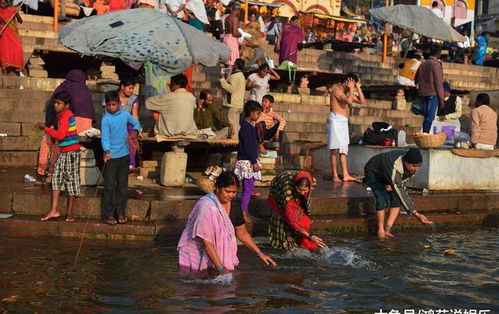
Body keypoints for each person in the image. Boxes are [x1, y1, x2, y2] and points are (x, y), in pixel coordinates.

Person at [178, 171, 276, 273]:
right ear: (217, 188)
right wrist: (220, 267)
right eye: (227, 191)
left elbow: (241, 232)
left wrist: (260, 253)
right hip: (198, 255)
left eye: (234, 192)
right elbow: (206, 241)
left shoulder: (235, 206)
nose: (230, 195)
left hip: (217, 257)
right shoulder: (206, 206)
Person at [36, 69, 95, 185]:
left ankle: (45, 173)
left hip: (67, 126)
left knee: (48, 141)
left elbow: (51, 108)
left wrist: (48, 126)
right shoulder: (86, 90)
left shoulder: (64, 87)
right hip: (86, 127)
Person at [364, 148, 433, 239]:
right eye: (414, 166)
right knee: (382, 199)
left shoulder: (412, 168)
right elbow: (399, 188)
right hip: (374, 172)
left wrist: (392, 184)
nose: (416, 169)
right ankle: (380, 230)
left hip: (389, 174)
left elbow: (401, 183)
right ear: (406, 163)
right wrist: (415, 213)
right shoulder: (395, 164)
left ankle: (388, 230)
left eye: (419, 166)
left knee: (397, 200)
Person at [36, 91, 81, 222]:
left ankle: (70, 213)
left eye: (59, 103)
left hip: (72, 153)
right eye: (55, 102)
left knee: (71, 182)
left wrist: (45, 128)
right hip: (63, 151)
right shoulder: (60, 115)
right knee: (55, 180)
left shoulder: (67, 115)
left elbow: (60, 135)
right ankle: (54, 210)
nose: (55, 105)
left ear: (66, 105)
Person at [101, 91, 141, 225]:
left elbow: (136, 123)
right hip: (111, 157)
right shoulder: (105, 119)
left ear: (119, 104)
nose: (111, 107)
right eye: (109, 105)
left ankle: (121, 212)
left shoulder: (124, 115)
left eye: (113, 105)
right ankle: (109, 214)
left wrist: (135, 132)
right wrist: (106, 150)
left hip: (124, 156)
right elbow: (105, 138)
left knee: (122, 186)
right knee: (109, 186)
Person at [267, 170, 327, 251]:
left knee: (299, 216)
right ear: (294, 186)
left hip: (293, 194)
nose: (302, 193)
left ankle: (297, 239)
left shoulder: (312, 181)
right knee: (283, 220)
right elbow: (292, 220)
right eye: (299, 190)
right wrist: (310, 236)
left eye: (305, 190)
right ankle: (284, 246)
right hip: (278, 196)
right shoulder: (286, 191)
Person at [327, 73, 366, 183]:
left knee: (344, 149)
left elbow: (362, 101)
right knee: (334, 149)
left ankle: (345, 174)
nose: (353, 85)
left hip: (343, 122)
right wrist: (352, 88)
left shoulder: (348, 93)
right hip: (335, 120)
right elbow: (349, 101)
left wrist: (357, 88)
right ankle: (335, 175)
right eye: (353, 82)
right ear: (347, 81)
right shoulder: (336, 91)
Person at [234, 101, 262, 233]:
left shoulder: (248, 126)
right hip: (247, 161)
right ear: (251, 113)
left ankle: (245, 212)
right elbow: (248, 147)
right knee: (247, 189)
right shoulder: (246, 127)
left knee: (248, 188)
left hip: (247, 160)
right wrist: (254, 161)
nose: (258, 115)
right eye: (258, 113)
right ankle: (244, 213)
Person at [145, 74, 198, 138]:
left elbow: (148, 102)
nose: (169, 86)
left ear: (176, 85)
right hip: (189, 134)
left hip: (169, 135)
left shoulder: (168, 97)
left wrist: (166, 91)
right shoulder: (192, 97)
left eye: (171, 84)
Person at [415, 46, 444, 133]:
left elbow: (416, 79)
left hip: (423, 93)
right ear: (438, 54)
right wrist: (441, 100)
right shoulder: (435, 64)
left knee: (427, 117)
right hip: (432, 93)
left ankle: (425, 133)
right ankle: (425, 134)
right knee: (429, 117)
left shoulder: (423, 64)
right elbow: (438, 83)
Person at [220, 58, 246, 139]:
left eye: (234, 63)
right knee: (236, 126)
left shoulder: (235, 76)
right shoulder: (241, 75)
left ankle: (234, 143)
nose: (233, 65)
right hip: (238, 104)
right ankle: (237, 142)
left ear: (237, 65)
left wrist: (222, 79)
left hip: (233, 105)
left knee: (233, 127)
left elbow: (231, 89)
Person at [0, 0, 23, 74]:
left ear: (7, 3)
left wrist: (17, 14)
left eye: (4, 3)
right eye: (0, 3)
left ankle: (16, 66)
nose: (2, 5)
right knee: (5, 49)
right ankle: (6, 67)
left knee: (17, 47)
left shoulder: (13, 9)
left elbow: (20, 21)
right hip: (3, 32)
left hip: (13, 32)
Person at [223, 4, 242, 69]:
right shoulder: (235, 19)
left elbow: (225, 31)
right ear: (238, 10)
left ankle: (223, 77)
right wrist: (240, 34)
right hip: (232, 40)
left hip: (226, 38)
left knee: (226, 61)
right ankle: (227, 77)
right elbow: (234, 33)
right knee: (231, 62)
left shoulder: (226, 18)